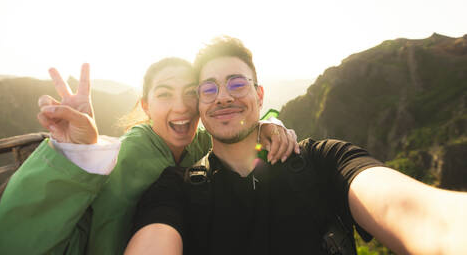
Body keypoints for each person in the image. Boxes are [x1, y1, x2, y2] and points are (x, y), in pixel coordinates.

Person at [127, 37, 467, 255]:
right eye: (209, 89)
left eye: (236, 83)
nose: (225, 97)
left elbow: (420, 215)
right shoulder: (175, 189)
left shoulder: (324, 161)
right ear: (200, 105)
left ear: (259, 96)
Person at [0, 58, 298, 255]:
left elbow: (235, 135)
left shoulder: (195, 144)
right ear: (145, 106)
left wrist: (268, 123)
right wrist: (77, 149)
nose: (181, 106)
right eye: (164, 94)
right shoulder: (133, 155)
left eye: (191, 93)